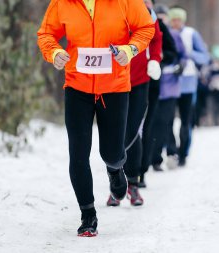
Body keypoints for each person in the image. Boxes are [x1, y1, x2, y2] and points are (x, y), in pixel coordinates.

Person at [37, 0, 155, 237]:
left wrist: (130, 49)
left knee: (111, 152)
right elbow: (46, 33)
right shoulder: (63, 2)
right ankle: (88, 215)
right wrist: (55, 52)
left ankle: (115, 168)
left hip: (114, 87)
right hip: (77, 86)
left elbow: (146, 27)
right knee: (78, 153)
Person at [106, 1, 162, 207]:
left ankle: (133, 184)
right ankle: (115, 182)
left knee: (132, 132)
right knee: (114, 132)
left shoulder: (147, 13)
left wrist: (154, 60)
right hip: (113, 79)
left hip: (139, 81)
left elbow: (156, 39)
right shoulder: (111, 8)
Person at [139, 2, 179, 187]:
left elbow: (172, 52)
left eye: (148, 1)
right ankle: (120, 170)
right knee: (126, 127)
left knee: (149, 125)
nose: (144, 3)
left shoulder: (158, 25)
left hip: (151, 81)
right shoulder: (124, 19)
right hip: (125, 80)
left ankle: (141, 171)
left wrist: (158, 57)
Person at [166, 5, 210, 167]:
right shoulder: (166, 32)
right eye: (173, 20)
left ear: (183, 20)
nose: (175, 23)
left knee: (186, 121)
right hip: (170, 83)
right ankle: (172, 151)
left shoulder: (191, 34)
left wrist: (189, 53)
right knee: (167, 120)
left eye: (178, 19)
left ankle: (183, 152)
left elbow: (205, 57)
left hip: (188, 84)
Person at [146, 4, 187, 173]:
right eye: (159, 16)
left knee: (165, 122)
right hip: (152, 85)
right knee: (152, 122)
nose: (161, 20)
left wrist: (179, 66)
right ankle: (152, 157)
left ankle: (169, 154)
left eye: (164, 17)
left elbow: (181, 55)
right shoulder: (146, 29)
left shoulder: (173, 34)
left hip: (170, 86)